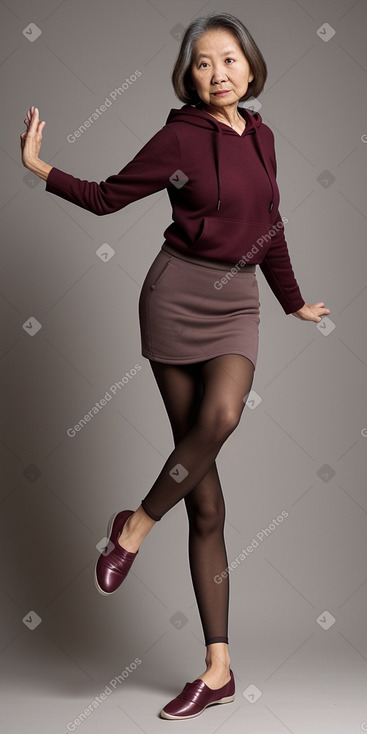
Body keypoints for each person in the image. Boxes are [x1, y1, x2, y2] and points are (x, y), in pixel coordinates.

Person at [20, 11, 330, 721]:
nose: (216, 72)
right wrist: (40, 168)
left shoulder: (262, 137)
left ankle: (131, 528)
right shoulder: (178, 137)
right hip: (173, 297)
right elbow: (105, 199)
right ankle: (218, 670)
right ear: (188, 77)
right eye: (202, 63)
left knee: (219, 419)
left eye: (228, 60)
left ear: (249, 69)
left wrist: (290, 303)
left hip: (237, 306)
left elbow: (269, 226)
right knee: (208, 501)